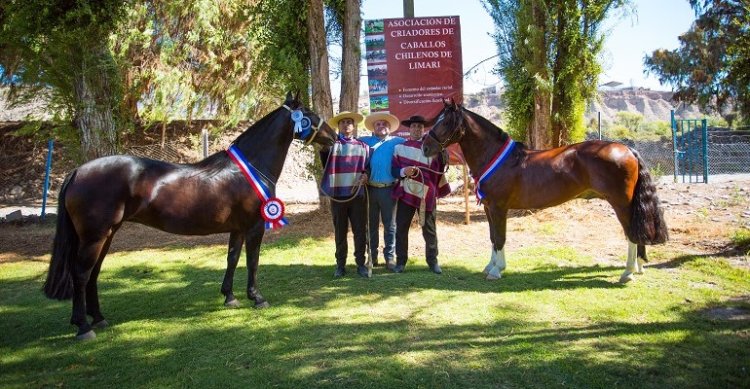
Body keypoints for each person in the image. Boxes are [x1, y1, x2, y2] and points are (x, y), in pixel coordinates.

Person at [391, 115, 451, 274]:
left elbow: (439, 169)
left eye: (420, 126)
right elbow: (394, 171)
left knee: (429, 229)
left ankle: (433, 262)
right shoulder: (399, 148)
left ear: (423, 129)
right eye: (414, 126)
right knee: (401, 229)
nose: (417, 129)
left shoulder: (432, 149)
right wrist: (404, 171)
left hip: (426, 195)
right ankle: (401, 262)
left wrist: (443, 155)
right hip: (406, 194)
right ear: (409, 129)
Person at [320, 111, 370, 278]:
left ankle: (361, 264)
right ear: (339, 126)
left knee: (359, 231)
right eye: (343, 122)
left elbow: (367, 167)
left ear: (353, 125)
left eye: (349, 122)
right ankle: (340, 265)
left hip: (357, 195)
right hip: (338, 195)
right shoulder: (332, 145)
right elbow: (324, 161)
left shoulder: (363, 147)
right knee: (340, 232)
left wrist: (366, 175)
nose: (347, 125)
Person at [359, 112, 405, 270]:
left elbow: (416, 145)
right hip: (370, 190)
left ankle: (390, 258)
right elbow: (346, 142)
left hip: (389, 190)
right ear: (373, 128)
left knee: (390, 226)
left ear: (389, 127)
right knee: (371, 225)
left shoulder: (398, 142)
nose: (381, 126)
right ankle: (372, 257)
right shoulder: (365, 141)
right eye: (378, 124)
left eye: (384, 124)